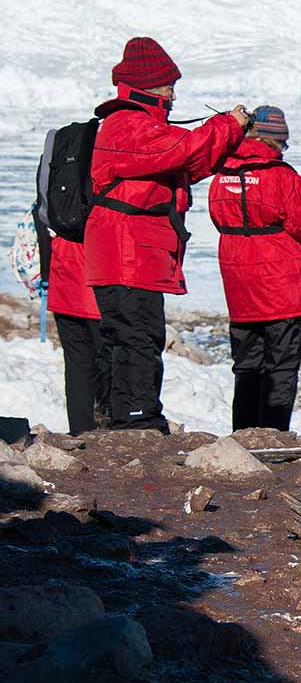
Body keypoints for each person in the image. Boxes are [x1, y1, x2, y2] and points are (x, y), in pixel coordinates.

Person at [85, 36, 249, 434]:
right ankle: (137, 420)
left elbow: (186, 162)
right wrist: (228, 124)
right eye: (167, 85)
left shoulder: (139, 128)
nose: (173, 94)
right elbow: (183, 150)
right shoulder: (129, 125)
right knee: (137, 336)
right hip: (128, 253)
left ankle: (119, 415)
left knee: (128, 335)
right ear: (147, 85)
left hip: (132, 252)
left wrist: (227, 136)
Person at [209, 105, 301, 432]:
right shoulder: (281, 175)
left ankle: (244, 434)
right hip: (282, 287)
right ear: (275, 140)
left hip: (240, 285)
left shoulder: (221, 174)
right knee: (281, 366)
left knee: (247, 365)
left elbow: (219, 218)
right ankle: (273, 435)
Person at [48, 236, 110, 435]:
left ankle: (80, 431)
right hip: (101, 282)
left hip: (63, 275)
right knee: (111, 362)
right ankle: (113, 428)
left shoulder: (55, 204)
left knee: (77, 366)